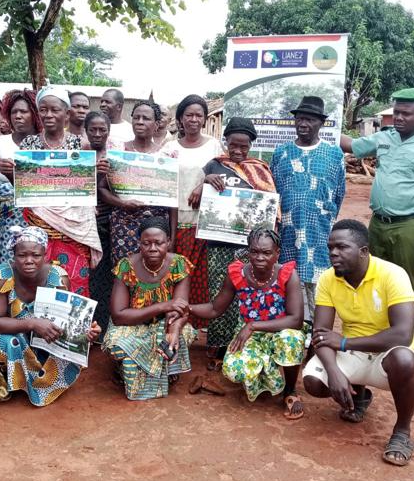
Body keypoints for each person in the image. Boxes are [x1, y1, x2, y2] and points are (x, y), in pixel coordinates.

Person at [340, 88, 414, 360]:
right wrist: (326, 125)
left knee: (410, 292)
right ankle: (376, 351)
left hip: (410, 228)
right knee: (373, 287)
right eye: (396, 112)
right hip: (378, 226)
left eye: (406, 113)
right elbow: (352, 146)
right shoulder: (385, 138)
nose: (399, 118)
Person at [303, 219, 414, 466]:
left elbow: (402, 334)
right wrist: (334, 372)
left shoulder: (393, 275)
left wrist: (345, 342)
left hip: (387, 355)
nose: (334, 253)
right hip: (355, 353)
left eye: (342, 247)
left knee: (405, 359)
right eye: (330, 247)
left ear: (364, 251)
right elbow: (320, 333)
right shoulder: (328, 279)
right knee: (314, 381)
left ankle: (402, 432)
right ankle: (360, 397)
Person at [189, 228, 306, 418]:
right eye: (254, 251)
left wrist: (252, 325)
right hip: (250, 334)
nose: (260, 257)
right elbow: (215, 308)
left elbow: (296, 320)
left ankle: (290, 390)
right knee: (234, 370)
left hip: (281, 330)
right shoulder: (238, 273)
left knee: (291, 340)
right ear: (248, 251)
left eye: (267, 253)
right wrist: (188, 308)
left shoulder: (288, 275)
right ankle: (266, 369)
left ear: (277, 253)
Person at [0, 226, 101, 406]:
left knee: (68, 346)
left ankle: (40, 383)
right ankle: (12, 380)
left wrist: (85, 333)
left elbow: (67, 321)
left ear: (45, 255)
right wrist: (32, 324)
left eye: (36, 255)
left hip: (46, 341)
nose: (29, 261)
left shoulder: (58, 277)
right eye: (22, 255)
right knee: (3, 343)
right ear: (13, 256)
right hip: (16, 341)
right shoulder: (1, 276)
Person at [199, 118, 278, 370]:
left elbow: (270, 206)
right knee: (218, 292)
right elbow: (197, 194)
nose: (238, 151)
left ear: (251, 145)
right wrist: (206, 182)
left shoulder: (260, 170)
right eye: (233, 145)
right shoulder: (214, 165)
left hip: (248, 245)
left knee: (244, 293)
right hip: (218, 240)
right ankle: (216, 345)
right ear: (226, 142)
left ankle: (238, 343)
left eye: (244, 147)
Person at [10, 86, 101, 297]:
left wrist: (98, 172)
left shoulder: (82, 145)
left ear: (67, 114)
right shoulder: (28, 144)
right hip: (38, 223)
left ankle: (75, 329)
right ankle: (37, 328)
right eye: (43, 110)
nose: (48, 115)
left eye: (54, 110)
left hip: (74, 229)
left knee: (74, 280)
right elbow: (25, 187)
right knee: (37, 283)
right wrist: (11, 173)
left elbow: (85, 187)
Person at [271, 96, 346, 332]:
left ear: (321, 123)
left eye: (310, 119)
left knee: (319, 287)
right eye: (300, 118)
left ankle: (318, 337)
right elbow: (273, 192)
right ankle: (292, 335)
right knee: (289, 283)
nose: (303, 123)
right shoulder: (281, 153)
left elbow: (338, 195)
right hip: (287, 234)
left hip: (319, 233)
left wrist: (324, 217)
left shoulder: (334, 155)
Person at [102, 216, 195, 401]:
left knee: (184, 335)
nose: (152, 248)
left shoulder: (179, 264)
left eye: (158, 243)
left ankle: (162, 367)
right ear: (140, 243)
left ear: (168, 242)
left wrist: (174, 331)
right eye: (146, 243)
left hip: (165, 324)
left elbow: (180, 309)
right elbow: (119, 316)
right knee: (114, 344)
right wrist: (162, 306)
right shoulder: (126, 266)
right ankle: (130, 367)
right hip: (131, 326)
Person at [161, 95, 223, 314]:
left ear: (205, 119)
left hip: (206, 221)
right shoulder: (169, 149)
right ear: (180, 119)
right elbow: (162, 182)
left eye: (199, 115)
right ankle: (177, 315)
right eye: (189, 115)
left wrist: (203, 183)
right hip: (177, 217)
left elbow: (222, 176)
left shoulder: (214, 146)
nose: (194, 119)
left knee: (203, 272)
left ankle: (199, 321)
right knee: (179, 270)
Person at [101, 100, 175, 265]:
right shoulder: (117, 151)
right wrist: (122, 203)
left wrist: (173, 238)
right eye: (136, 117)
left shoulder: (167, 156)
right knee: (124, 272)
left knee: (154, 274)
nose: (140, 121)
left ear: (156, 124)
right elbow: (102, 189)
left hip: (157, 228)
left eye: (146, 118)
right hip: (123, 226)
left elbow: (172, 202)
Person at [0, 89, 42, 266]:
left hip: (40, 218)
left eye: (23, 111)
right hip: (5, 222)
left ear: (34, 114)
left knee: (35, 265)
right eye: (14, 112)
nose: (17, 116)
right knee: (6, 263)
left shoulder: (45, 144)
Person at [85, 111, 115, 335]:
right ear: (85, 131)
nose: (97, 134)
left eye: (102, 130)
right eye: (92, 129)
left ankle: (102, 329)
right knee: (87, 276)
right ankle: (86, 327)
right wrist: (94, 175)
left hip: (109, 222)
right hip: (82, 224)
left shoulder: (116, 156)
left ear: (109, 131)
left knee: (105, 277)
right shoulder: (77, 155)